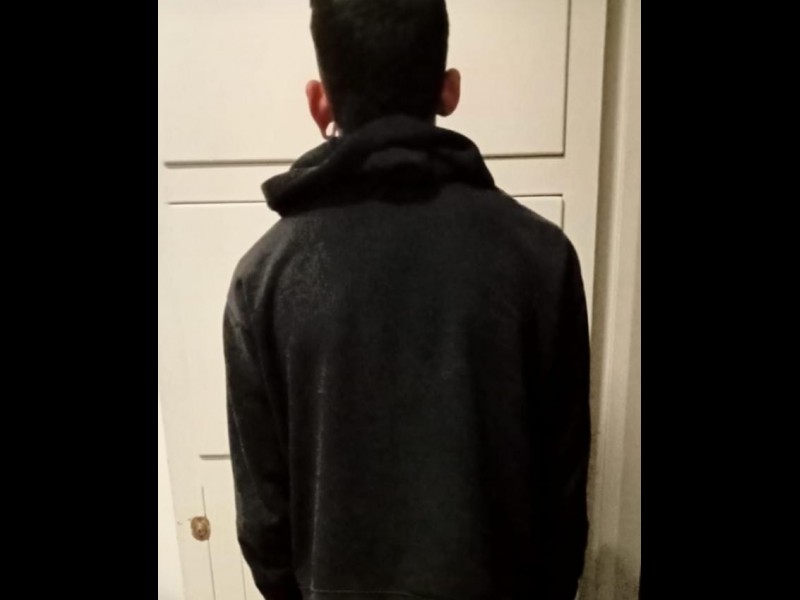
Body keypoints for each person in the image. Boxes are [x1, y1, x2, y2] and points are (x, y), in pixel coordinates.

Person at [223, 1, 590, 599]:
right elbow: (564, 494)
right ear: (449, 90)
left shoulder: (262, 279)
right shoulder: (542, 259)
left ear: (320, 103)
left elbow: (264, 519)